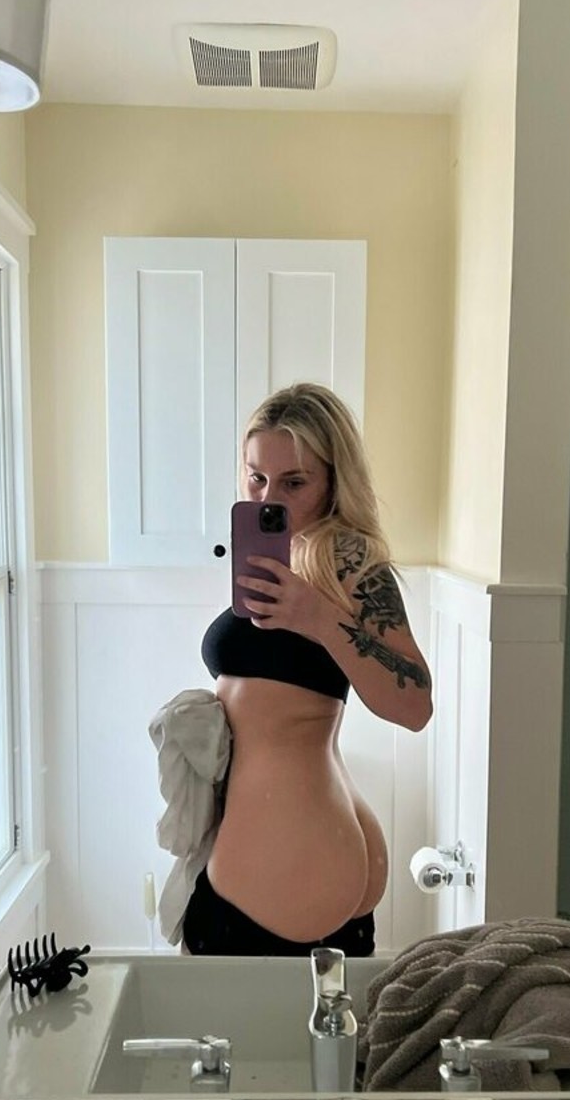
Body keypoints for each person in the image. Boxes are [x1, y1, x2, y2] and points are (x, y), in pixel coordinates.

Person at [182, 382, 432, 956]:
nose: (270, 497)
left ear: (333, 482)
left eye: (294, 482)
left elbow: (415, 705)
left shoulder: (346, 558)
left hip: (285, 867)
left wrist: (316, 616)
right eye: (256, 478)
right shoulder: (289, 554)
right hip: (295, 853)